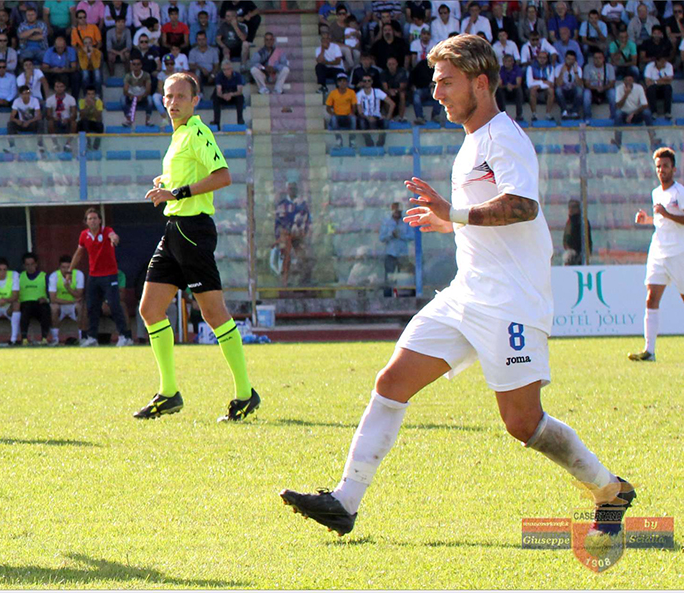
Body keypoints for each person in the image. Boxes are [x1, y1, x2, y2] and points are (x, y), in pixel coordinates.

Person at [281, 34, 635, 540]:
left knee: (522, 423)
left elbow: (523, 206)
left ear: (480, 83)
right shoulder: (472, 141)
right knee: (392, 382)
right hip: (466, 293)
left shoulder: (503, 138)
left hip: (511, 302)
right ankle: (345, 501)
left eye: (446, 82)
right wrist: (452, 223)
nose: (437, 92)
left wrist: (456, 213)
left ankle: (609, 489)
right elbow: (490, 214)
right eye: (435, 82)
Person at [135, 71, 259, 422]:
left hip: (193, 231)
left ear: (195, 101)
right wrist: (168, 182)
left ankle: (245, 394)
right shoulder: (179, 135)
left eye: (180, 96)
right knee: (150, 309)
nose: (173, 102)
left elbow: (223, 176)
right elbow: (188, 176)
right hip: (175, 229)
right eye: (168, 96)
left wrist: (176, 192)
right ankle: (169, 393)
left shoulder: (197, 131)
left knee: (214, 314)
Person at [629, 148, 684, 362]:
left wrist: (666, 213)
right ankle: (649, 351)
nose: (662, 170)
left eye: (665, 166)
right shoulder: (656, 193)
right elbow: (661, 221)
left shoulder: (679, 192)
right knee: (651, 297)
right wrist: (647, 220)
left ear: (674, 169)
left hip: (678, 252)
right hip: (658, 251)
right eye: (658, 167)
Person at [67, 208, 133, 347]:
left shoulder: (106, 231)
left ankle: (125, 336)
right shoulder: (84, 235)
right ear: (86, 222)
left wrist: (114, 239)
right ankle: (92, 337)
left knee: (114, 304)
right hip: (93, 276)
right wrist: (69, 271)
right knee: (91, 306)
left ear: (100, 220)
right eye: (90, 219)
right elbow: (79, 253)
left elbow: (113, 236)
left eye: (95, 218)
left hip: (109, 275)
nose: (93, 221)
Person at [17, 252, 53, 345]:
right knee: (25, 311)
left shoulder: (44, 276)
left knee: (45, 310)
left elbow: (52, 292)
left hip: (40, 303)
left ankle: (44, 338)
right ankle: (24, 338)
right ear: (24, 266)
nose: (30, 267)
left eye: (32, 264)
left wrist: (46, 299)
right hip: (25, 304)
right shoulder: (19, 277)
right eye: (27, 265)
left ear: (36, 264)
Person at [378, 202, 412, 297]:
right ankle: (388, 298)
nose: (397, 212)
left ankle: (403, 297)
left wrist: (400, 236)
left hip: (403, 254)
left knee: (404, 277)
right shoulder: (386, 222)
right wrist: (391, 235)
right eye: (395, 210)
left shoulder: (406, 222)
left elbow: (412, 236)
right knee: (389, 278)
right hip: (391, 254)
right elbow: (382, 238)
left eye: (398, 210)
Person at [561, 198, 591, 266]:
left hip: (578, 254)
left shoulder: (581, 221)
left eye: (574, 207)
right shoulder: (569, 222)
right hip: (571, 253)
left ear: (579, 209)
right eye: (569, 207)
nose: (571, 209)